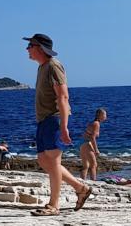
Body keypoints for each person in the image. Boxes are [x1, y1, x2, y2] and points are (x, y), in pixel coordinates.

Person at [23, 33, 91, 215]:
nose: (27, 49)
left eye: (30, 45)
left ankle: (54, 205)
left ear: (40, 48)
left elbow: (63, 96)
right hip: (44, 120)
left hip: (54, 119)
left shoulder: (54, 66)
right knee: (44, 160)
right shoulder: (42, 67)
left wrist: (63, 126)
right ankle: (80, 188)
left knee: (52, 161)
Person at [80, 108, 107, 181]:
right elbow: (92, 137)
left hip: (82, 143)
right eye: (104, 114)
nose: (106, 116)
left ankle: (82, 181)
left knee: (86, 166)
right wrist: (96, 149)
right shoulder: (96, 124)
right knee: (93, 165)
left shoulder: (94, 122)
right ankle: (93, 181)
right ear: (100, 115)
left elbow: (86, 134)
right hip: (87, 143)